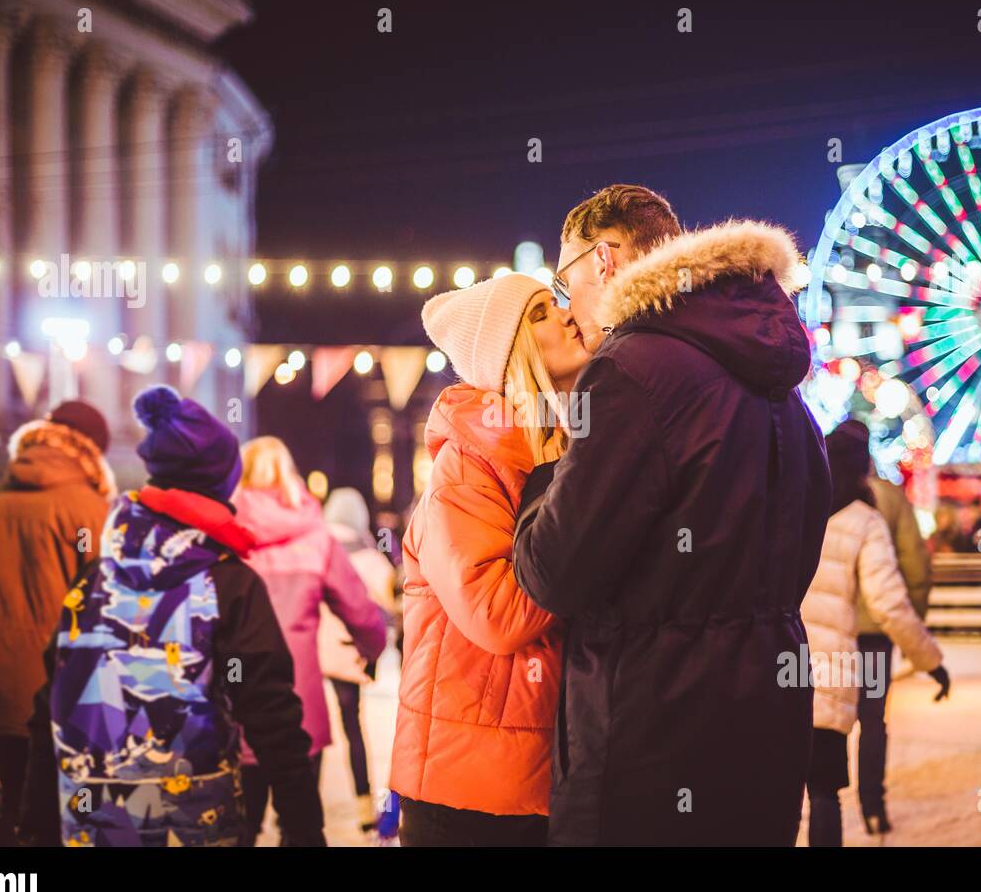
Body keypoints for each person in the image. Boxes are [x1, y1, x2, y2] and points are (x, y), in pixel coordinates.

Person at [513, 185, 833, 845]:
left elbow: (554, 572)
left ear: (604, 259)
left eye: (564, 278)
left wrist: (546, 475)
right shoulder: (777, 379)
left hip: (651, 738)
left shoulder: (632, 369)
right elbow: (806, 529)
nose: (569, 303)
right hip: (767, 725)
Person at [19, 386, 325, 846]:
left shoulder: (93, 581)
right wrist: (305, 830)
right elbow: (271, 717)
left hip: (91, 823)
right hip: (193, 823)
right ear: (221, 487)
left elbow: (52, 704)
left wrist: (34, 828)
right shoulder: (228, 583)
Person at [390, 272, 583, 846]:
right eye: (543, 313)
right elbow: (498, 615)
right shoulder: (467, 466)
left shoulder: (556, 453)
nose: (569, 316)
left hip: (530, 777)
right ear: (510, 354)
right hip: (468, 793)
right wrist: (598, 556)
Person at [0, 401, 115, 845]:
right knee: (68, 816)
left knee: (13, 808)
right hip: (59, 688)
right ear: (91, 451)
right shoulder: (88, 508)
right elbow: (102, 602)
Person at [799, 424, 949, 846]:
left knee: (783, 786)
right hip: (859, 644)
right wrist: (925, 652)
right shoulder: (874, 512)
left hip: (787, 654)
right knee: (866, 728)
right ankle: (874, 806)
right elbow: (903, 582)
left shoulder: (794, 504)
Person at [232, 439, 386, 845]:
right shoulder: (315, 537)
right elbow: (363, 614)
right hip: (297, 710)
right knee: (299, 828)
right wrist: (371, 651)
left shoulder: (223, 537)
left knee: (236, 830)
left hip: (233, 709)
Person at [851, 425, 933, 834]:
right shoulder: (888, 497)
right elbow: (914, 562)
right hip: (874, 631)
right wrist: (911, 624)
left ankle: (821, 804)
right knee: (872, 720)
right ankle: (873, 805)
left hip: (820, 633)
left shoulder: (815, 492)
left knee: (820, 722)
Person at [321, 486, 399, 835]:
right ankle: (365, 805)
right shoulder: (369, 555)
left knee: (312, 730)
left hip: (313, 655)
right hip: (350, 655)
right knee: (353, 728)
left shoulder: (314, 549)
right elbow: (389, 603)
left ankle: (295, 808)